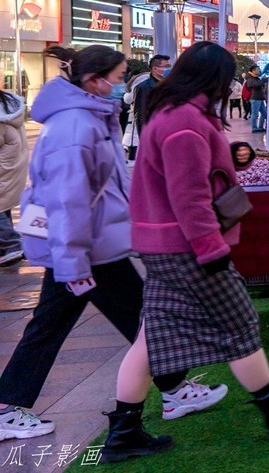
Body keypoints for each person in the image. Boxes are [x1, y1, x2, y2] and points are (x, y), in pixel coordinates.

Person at [103, 42, 269, 462]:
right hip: (187, 248)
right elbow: (190, 198)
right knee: (239, 324)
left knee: (151, 338)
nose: (231, 87)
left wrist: (230, 160)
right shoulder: (185, 122)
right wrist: (211, 250)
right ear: (213, 80)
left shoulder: (172, 114)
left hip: (164, 246)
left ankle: (124, 431)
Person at [0, 46, 223, 444]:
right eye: (119, 78)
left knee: (90, 319)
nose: (122, 86)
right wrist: (73, 264)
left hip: (90, 245)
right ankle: (172, 389)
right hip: (85, 248)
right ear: (93, 80)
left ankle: (173, 388)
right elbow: (68, 200)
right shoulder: (75, 125)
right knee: (129, 316)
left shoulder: (88, 116)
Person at [0, 90, 27, 267]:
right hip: (13, 167)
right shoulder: (7, 106)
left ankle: (12, 245)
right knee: (3, 205)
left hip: (4, 168)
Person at [130, 55, 171, 150]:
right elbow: (141, 114)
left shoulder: (169, 85)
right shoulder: (145, 87)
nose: (169, 69)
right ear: (155, 69)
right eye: (166, 66)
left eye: (169, 66)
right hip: (153, 132)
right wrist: (144, 138)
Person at [245, 66, 267, 132]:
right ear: (253, 71)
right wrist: (262, 82)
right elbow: (254, 85)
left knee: (265, 113)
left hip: (260, 98)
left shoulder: (256, 78)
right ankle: (254, 128)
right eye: (257, 69)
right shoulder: (250, 78)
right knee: (255, 114)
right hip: (255, 98)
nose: (259, 70)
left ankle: (260, 127)